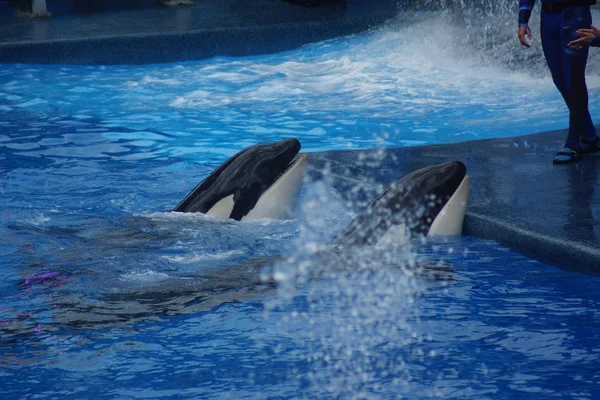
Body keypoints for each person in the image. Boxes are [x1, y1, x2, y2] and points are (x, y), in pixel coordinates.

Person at [518, 0, 600, 164]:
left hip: (575, 14)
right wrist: (523, 20)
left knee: (573, 78)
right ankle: (590, 136)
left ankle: (573, 142)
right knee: (559, 79)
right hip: (548, 15)